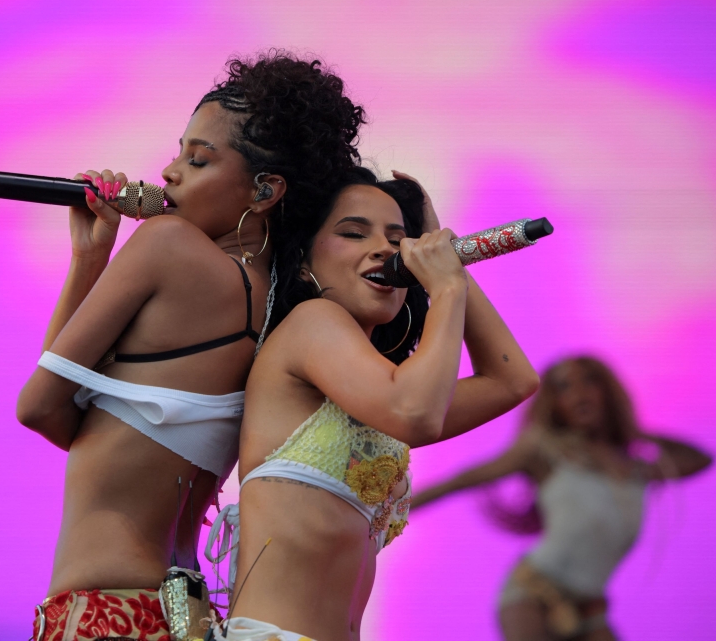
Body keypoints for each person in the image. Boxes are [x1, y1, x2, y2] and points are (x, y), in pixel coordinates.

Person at [15, 51, 366, 641]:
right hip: (191, 618)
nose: (171, 172)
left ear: (266, 188)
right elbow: (78, 407)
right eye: (179, 152)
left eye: (198, 159)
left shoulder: (168, 243)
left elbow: (42, 407)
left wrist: (91, 263)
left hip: (108, 615)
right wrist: (91, 258)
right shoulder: (278, 306)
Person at [206, 167, 540, 641]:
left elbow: (512, 380)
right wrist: (445, 287)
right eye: (353, 232)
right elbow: (418, 415)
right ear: (303, 261)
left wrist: (449, 260)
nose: (386, 248)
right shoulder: (312, 322)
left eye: (399, 238)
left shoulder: (377, 386)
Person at [410, 355, 714, 641]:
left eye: (589, 382)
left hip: (590, 609)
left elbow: (700, 460)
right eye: (564, 387)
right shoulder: (546, 450)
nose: (579, 393)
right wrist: (389, 509)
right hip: (534, 595)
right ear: (555, 404)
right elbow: (464, 480)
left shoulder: (635, 468)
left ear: (607, 393)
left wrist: (632, 432)